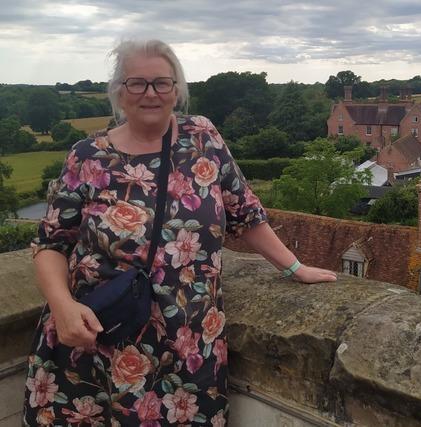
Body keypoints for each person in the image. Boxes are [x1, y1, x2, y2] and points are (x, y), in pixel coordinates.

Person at [23, 39, 337, 426]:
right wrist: (63, 308)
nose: (150, 93)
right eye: (137, 83)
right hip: (98, 340)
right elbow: (51, 243)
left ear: (176, 90)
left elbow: (245, 213)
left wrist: (295, 267)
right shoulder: (87, 156)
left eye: (161, 83)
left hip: (189, 342)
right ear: (119, 91)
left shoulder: (203, 138)